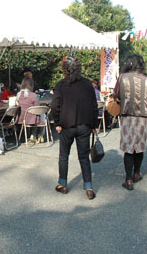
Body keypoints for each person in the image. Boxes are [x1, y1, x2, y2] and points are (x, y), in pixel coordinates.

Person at [51, 57, 98, 200]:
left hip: (66, 126)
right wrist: (94, 124)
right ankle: (89, 187)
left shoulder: (61, 85)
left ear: (64, 69)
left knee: (64, 155)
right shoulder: (87, 84)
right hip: (84, 125)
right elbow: (94, 106)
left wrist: (57, 123)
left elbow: (55, 106)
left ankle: (63, 184)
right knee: (84, 157)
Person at [113, 54, 147, 191]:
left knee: (128, 148)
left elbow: (116, 95)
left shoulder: (122, 77)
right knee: (139, 146)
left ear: (130, 64)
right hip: (142, 117)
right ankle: (137, 173)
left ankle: (128, 179)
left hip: (127, 116)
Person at [17, 77, 45, 144]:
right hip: (32, 118)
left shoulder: (18, 95)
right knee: (42, 115)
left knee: (35, 116)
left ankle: (34, 134)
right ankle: (39, 134)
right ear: (31, 85)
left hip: (21, 118)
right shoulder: (33, 95)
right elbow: (37, 107)